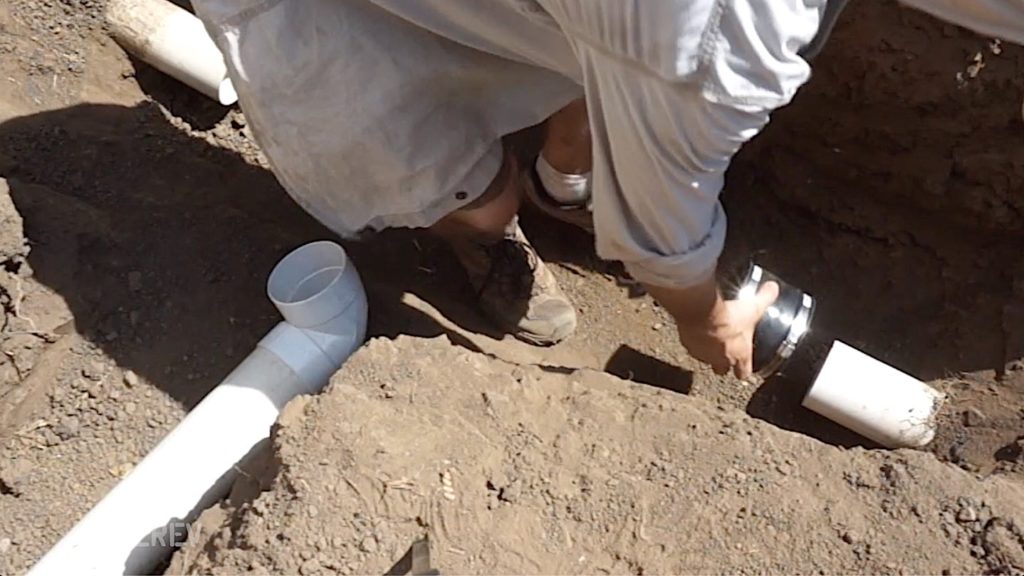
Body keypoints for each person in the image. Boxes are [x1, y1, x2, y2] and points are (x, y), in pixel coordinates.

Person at [193, 0, 1024, 380]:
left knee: (588, 75)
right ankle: (485, 231)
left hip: (596, 23)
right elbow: (663, 234)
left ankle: (560, 176)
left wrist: (588, 148)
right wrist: (702, 319)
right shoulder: (725, 31)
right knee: (470, 188)